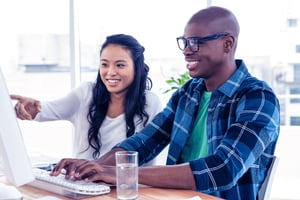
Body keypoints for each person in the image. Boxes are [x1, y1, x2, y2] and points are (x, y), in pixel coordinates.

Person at [50, 6, 280, 200]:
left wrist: (122, 174)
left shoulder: (257, 97)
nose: (187, 51)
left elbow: (223, 168)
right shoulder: (189, 93)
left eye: (196, 42)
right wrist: (92, 170)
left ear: (228, 44)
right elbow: (144, 142)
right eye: (185, 42)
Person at [11, 34, 164, 163]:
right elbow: (46, 110)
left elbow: (149, 151)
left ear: (137, 67)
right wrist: (29, 109)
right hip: (83, 186)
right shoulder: (85, 93)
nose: (110, 72)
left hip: (129, 190)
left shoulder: (151, 103)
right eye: (104, 64)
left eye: (120, 65)